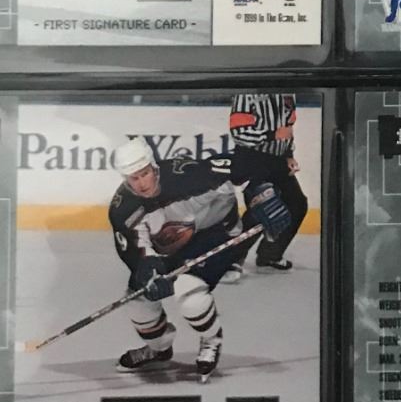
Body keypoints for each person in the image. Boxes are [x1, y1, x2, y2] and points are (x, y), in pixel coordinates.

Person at [108, 136, 242, 379]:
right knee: (138, 302)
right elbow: (135, 249)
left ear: (154, 166)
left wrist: (262, 193)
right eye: (134, 178)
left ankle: (211, 340)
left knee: (190, 296)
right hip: (170, 247)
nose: (141, 184)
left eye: (145, 173)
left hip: (212, 234)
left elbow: (244, 166)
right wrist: (148, 268)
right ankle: (159, 350)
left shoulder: (186, 175)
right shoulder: (123, 209)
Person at [230, 93, 308, 271]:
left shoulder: (288, 93)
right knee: (263, 207)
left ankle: (270, 254)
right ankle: (231, 259)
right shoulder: (246, 94)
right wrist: (272, 135)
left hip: (277, 160)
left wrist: (288, 154)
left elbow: (288, 126)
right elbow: (239, 134)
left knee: (297, 205)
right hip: (252, 159)